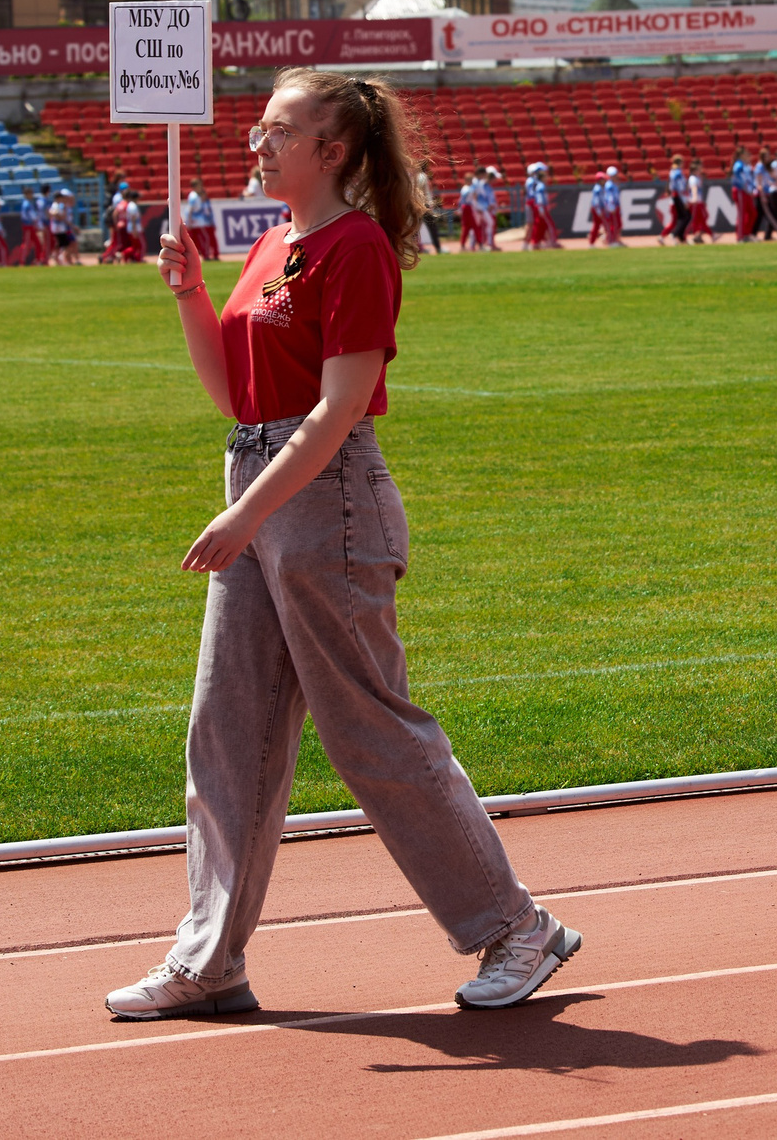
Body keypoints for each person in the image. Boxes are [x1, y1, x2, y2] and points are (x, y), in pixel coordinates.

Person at [115, 68, 583, 1020]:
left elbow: (334, 411)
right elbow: (236, 400)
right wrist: (192, 297)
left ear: (331, 150)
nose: (256, 142)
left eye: (276, 130)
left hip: (322, 497)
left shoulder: (355, 247)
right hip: (260, 477)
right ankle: (210, 959)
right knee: (228, 730)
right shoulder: (272, 244)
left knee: (368, 725)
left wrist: (249, 516)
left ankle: (515, 925)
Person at [523, 161, 559, 250]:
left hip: (535, 204)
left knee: (538, 224)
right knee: (534, 223)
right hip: (534, 204)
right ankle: (531, 243)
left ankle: (539, 242)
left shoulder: (535, 182)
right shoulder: (533, 182)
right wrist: (540, 206)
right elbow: (534, 195)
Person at [590, 166, 625, 246]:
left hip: (609, 207)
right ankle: (610, 240)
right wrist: (610, 206)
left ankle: (611, 239)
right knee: (611, 225)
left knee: (613, 225)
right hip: (607, 208)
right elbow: (607, 198)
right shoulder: (607, 186)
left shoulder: (612, 184)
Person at [731, 148, 761, 242]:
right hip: (740, 191)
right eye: (746, 154)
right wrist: (746, 189)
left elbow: (750, 179)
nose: (748, 156)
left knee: (752, 213)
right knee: (742, 214)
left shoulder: (746, 166)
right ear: (741, 155)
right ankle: (740, 236)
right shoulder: (738, 165)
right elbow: (739, 179)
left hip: (747, 192)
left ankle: (747, 234)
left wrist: (752, 189)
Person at [661, 156, 691, 245]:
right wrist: (685, 200)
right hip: (678, 196)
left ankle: (681, 237)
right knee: (684, 217)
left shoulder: (672, 172)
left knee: (685, 216)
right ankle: (674, 234)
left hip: (675, 196)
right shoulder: (678, 173)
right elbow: (680, 187)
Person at [411, 168, 442, 254]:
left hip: (415, 204)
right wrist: (430, 203)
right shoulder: (423, 176)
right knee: (432, 227)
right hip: (424, 204)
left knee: (414, 229)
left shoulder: (410, 176)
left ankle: (413, 248)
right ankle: (438, 247)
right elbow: (427, 192)